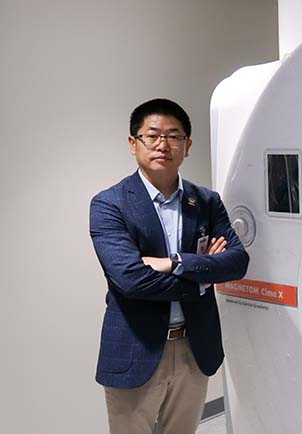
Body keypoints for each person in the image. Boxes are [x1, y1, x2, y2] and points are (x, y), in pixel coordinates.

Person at [89, 98, 249, 434]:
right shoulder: (109, 204)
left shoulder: (205, 201)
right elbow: (131, 280)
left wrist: (173, 262)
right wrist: (203, 277)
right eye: (152, 136)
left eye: (174, 136)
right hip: (137, 349)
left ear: (187, 146)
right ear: (134, 144)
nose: (163, 145)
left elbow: (237, 262)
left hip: (194, 345)